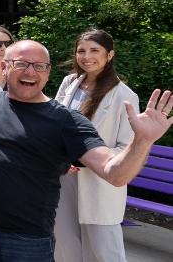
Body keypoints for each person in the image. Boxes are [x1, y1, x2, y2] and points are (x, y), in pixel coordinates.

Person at [0, 40, 173, 261]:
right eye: (21, 64)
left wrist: (142, 140)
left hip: (25, 242)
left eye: (39, 66)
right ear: (3, 67)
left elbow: (114, 173)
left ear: (47, 73)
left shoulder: (66, 121)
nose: (31, 72)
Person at [52, 30, 139, 262]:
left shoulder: (125, 96)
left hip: (100, 182)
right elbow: (55, 124)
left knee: (104, 251)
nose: (86, 56)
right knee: (64, 245)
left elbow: (127, 147)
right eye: (81, 51)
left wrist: (88, 158)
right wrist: (61, 156)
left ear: (109, 55)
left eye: (94, 51)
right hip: (65, 178)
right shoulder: (69, 83)